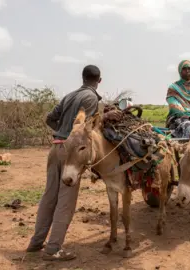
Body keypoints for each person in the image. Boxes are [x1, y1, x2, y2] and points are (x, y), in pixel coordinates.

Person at [25, 64, 121, 261]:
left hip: (56, 148)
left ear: (83, 78)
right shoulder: (92, 98)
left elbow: (50, 119)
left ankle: (36, 242)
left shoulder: (69, 96)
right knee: (65, 202)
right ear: (99, 81)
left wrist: (63, 131)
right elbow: (88, 128)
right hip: (72, 153)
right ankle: (52, 250)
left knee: (49, 196)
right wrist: (105, 117)